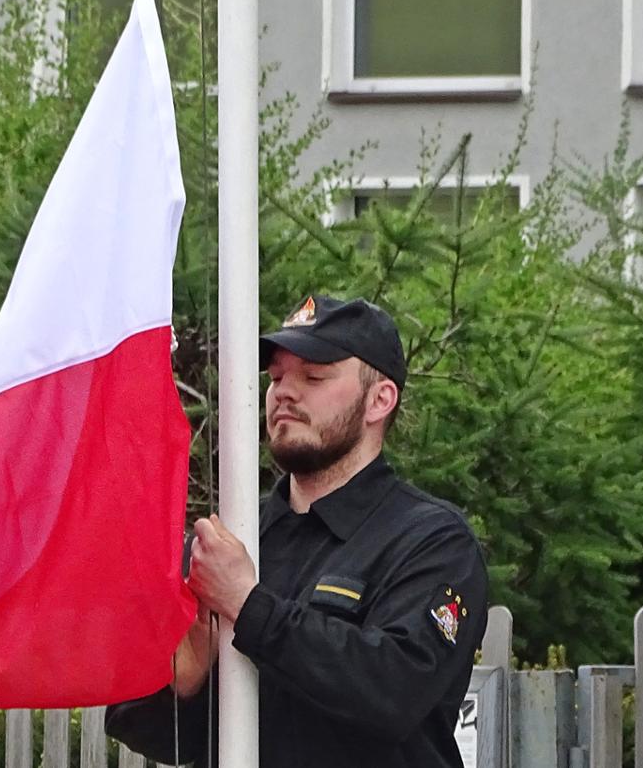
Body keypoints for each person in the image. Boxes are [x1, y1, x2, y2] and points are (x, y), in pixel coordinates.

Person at [107, 295, 490, 768]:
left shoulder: (431, 542)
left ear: (379, 399)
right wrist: (187, 671)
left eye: (313, 376)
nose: (284, 392)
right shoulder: (231, 542)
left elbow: (393, 692)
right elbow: (140, 725)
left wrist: (248, 606)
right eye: (276, 378)